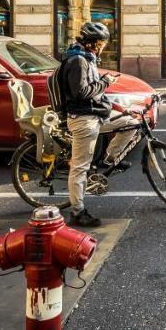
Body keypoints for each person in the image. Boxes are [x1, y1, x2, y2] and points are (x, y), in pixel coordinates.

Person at [58, 21, 122, 228]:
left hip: (95, 115)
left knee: (130, 123)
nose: (104, 46)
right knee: (79, 168)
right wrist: (105, 83)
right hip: (84, 119)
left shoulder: (87, 58)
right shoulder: (78, 61)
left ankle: (111, 159)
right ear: (93, 43)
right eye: (102, 42)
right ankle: (77, 212)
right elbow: (81, 92)